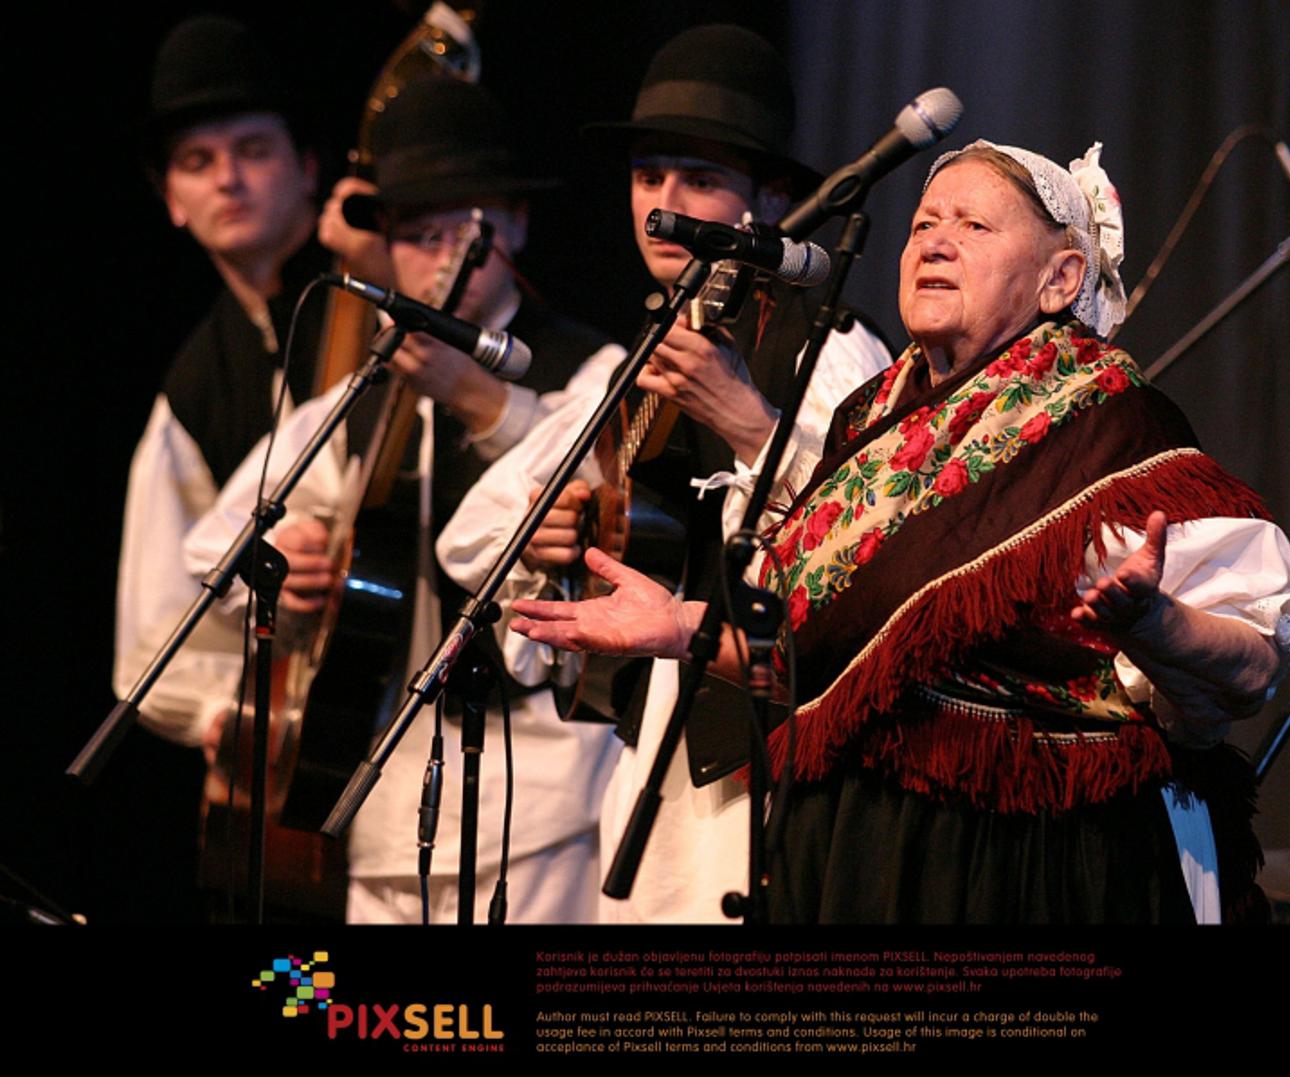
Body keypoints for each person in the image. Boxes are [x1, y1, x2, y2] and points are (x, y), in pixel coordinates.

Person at [510, 139, 1290, 924]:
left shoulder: (1112, 431)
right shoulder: (870, 420)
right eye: (924, 222)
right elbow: (818, 663)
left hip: (1029, 855)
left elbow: (1250, 669)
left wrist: (1153, 621)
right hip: (857, 847)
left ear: (1060, 278)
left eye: (973, 226)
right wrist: (680, 629)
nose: (935, 242)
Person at [436, 24, 893, 923]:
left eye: (699, 180)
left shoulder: (829, 346)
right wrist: (557, 535)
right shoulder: (639, 359)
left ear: (769, 199)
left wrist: (747, 420)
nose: (663, 206)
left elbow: (877, 541)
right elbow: (474, 537)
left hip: (766, 752)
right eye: (648, 178)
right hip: (653, 748)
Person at [185, 77, 626, 923]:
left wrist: (485, 404)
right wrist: (281, 568)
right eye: (418, 235)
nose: (442, 256)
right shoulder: (366, 393)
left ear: (515, 225)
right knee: (344, 998)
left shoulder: (591, 368)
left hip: (541, 800)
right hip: (378, 796)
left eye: (464, 231)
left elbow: (598, 490)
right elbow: (212, 547)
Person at [115, 15, 326, 750]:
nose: (227, 179)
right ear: (172, 199)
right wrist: (220, 716)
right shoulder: (197, 381)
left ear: (308, 167)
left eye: (253, 151)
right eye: (197, 162)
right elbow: (152, 625)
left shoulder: (375, 308)